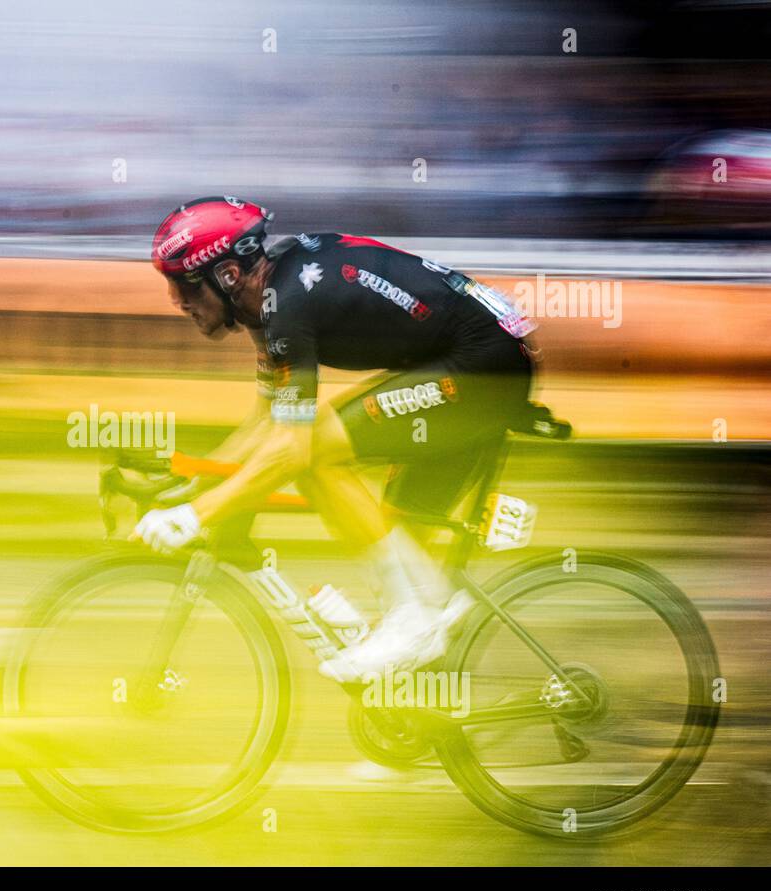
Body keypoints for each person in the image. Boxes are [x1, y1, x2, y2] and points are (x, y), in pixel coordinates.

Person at [132, 196, 537, 682]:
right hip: (473, 357)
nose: (176, 302)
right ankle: (409, 722)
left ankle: (416, 618)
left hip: (484, 365)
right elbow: (266, 422)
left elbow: (293, 447)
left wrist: (197, 515)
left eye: (183, 285)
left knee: (318, 451)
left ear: (228, 276)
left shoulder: (291, 301)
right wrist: (195, 479)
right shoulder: (269, 303)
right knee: (397, 540)